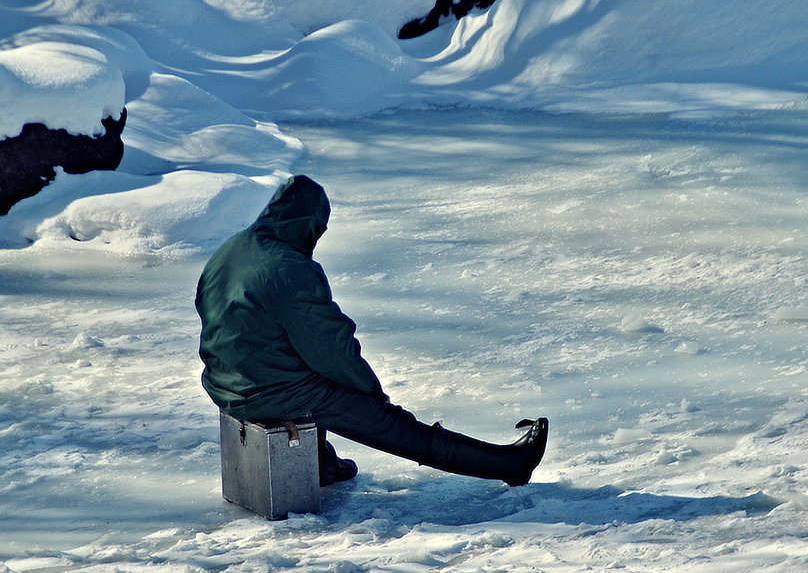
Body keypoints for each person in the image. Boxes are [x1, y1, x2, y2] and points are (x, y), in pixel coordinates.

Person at [195, 174, 548, 487]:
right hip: (269, 391)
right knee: (388, 423)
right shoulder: (290, 269)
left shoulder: (232, 249)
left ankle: (323, 467)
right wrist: (370, 395)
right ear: (307, 225)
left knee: (296, 366)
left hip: (225, 383)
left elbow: (210, 307)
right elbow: (330, 348)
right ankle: (511, 464)